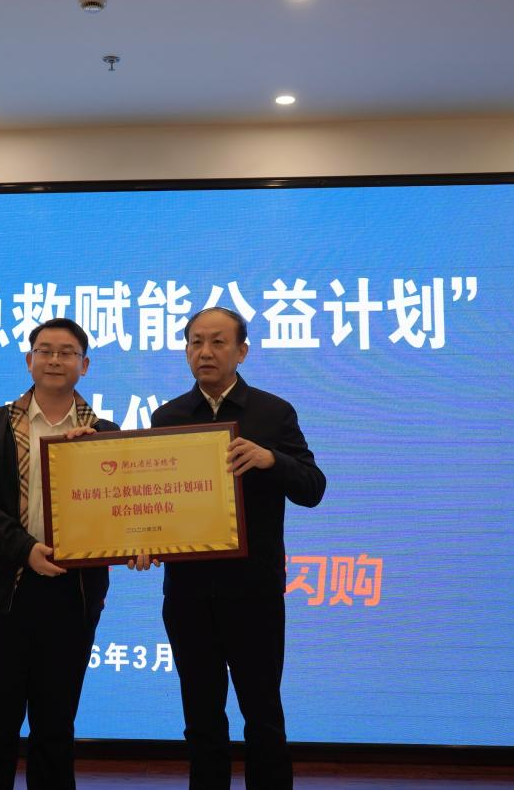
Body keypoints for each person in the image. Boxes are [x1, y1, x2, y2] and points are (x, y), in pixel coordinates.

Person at [144, 306, 326, 789]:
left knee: (263, 715)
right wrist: (142, 538)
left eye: (218, 342)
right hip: (187, 594)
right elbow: (155, 498)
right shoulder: (167, 417)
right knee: (201, 718)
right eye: (196, 342)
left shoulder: (273, 412)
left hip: (254, 592)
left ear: (242, 351)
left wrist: (271, 459)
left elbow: (313, 488)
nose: (205, 352)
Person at [0, 318, 119, 790]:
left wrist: (136, 544)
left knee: (55, 728)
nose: (54, 359)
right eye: (44, 350)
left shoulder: (104, 434)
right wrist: (25, 550)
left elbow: (119, 512)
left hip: (73, 595)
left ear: (84, 365)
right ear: (29, 361)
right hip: (2, 593)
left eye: (66, 352)